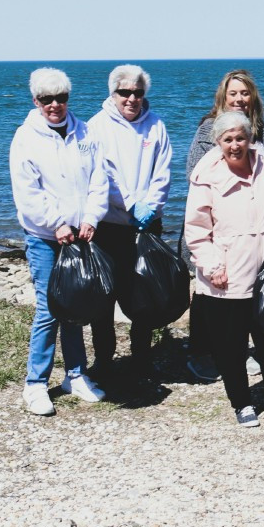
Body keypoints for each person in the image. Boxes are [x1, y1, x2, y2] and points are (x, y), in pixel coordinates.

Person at [182, 111, 264, 426]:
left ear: (250, 138)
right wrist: (213, 266)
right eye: (228, 139)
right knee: (231, 346)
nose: (235, 145)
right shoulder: (206, 176)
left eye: (240, 137)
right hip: (225, 279)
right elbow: (197, 231)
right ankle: (241, 403)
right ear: (218, 142)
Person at [8, 67, 109, 416]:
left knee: (75, 308)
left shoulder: (86, 132)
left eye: (61, 98)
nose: (55, 105)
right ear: (36, 101)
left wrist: (90, 218)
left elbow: (99, 179)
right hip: (45, 239)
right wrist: (57, 224)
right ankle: (35, 384)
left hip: (79, 235)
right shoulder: (26, 138)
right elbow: (27, 193)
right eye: (47, 99)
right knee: (49, 309)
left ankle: (76, 374)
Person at [183, 69, 264, 383]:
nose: (239, 99)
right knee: (209, 294)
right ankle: (202, 354)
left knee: (251, 295)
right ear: (223, 98)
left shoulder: (263, 130)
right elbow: (194, 175)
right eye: (233, 94)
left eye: (245, 93)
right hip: (218, 228)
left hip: (257, 230)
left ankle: (246, 351)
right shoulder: (208, 128)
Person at [86, 64, 173, 387]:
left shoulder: (156, 126)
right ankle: (104, 361)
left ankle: (142, 359)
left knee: (145, 293)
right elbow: (99, 175)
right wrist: (128, 203)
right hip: (110, 224)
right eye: (125, 92)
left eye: (138, 92)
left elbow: (163, 171)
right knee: (105, 296)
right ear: (113, 93)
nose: (132, 98)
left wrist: (152, 205)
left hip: (148, 225)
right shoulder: (95, 127)